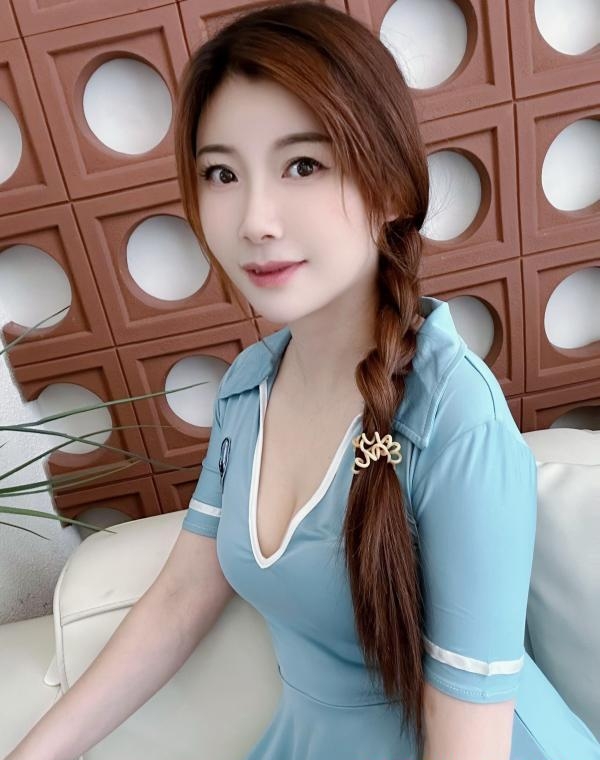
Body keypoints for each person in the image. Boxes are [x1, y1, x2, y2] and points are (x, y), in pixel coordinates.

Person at [5, 3, 600, 760]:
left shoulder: (454, 418)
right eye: (222, 173)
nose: (255, 219)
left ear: (390, 188)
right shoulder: (247, 391)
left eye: (304, 165)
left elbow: (469, 739)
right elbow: (180, 601)